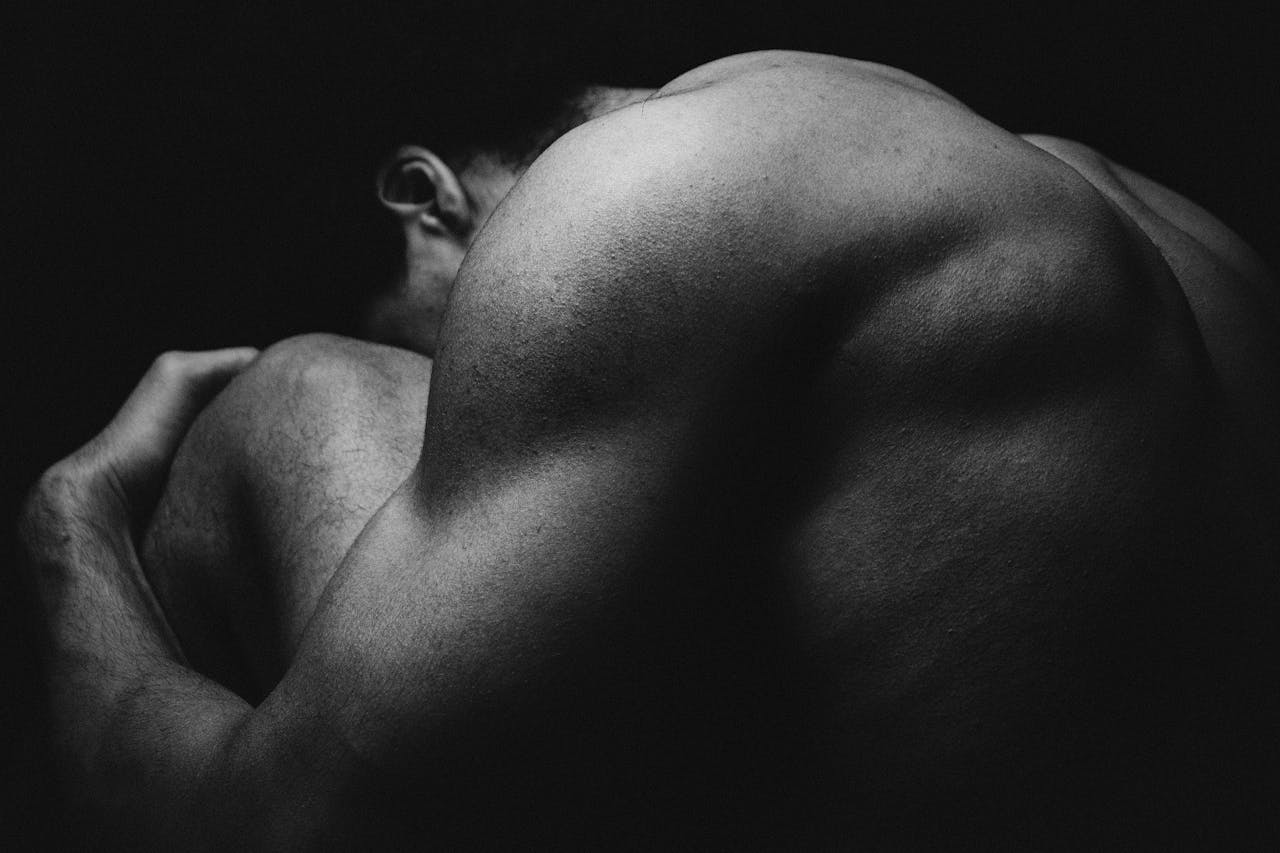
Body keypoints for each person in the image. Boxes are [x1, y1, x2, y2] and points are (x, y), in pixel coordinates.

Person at [19, 50, 1278, 849]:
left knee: (299, 386)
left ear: (424, 199)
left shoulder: (645, 195)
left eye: (435, 365)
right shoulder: (1162, 234)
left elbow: (282, 833)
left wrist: (72, 514)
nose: (448, 411)